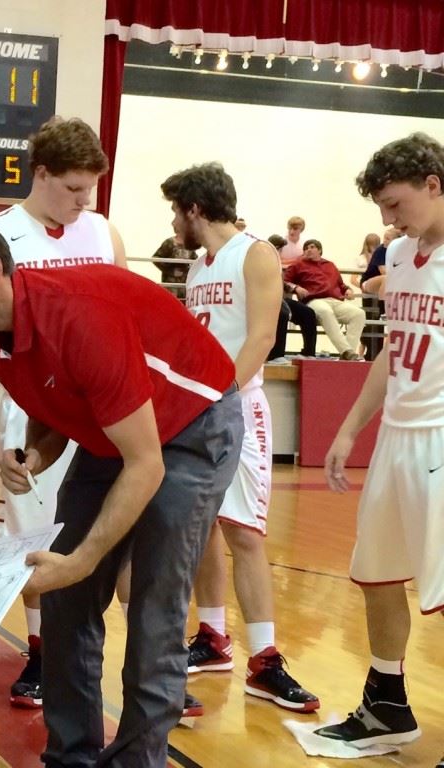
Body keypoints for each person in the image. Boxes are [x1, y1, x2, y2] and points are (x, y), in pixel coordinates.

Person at [0, 215, 243, 768]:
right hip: (124, 432)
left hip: (192, 424)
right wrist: (35, 452)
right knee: (62, 598)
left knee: (154, 604)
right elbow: (63, 402)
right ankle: (71, 758)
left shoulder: (81, 315)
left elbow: (145, 464)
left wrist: (85, 559)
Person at [163, 163, 319, 713]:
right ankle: (212, 639)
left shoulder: (255, 253)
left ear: (195, 209)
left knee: (244, 533)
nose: (173, 221)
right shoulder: (197, 269)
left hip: (236, 407)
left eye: (176, 210)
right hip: (201, 407)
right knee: (203, 529)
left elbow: (261, 336)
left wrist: (216, 395)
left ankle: (266, 659)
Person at [0, 116, 127, 708]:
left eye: (90, 188)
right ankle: (43, 653)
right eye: (72, 188)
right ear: (39, 174)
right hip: (31, 407)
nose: (83, 200)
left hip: (103, 411)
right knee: (36, 539)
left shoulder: (102, 232)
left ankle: (140, 664)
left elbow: (123, 317)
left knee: (114, 538)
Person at [318, 134, 444, 768]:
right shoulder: (398, 254)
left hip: (442, 439)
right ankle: (386, 706)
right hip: (398, 433)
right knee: (378, 575)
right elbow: (394, 350)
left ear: (433, 182)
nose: (389, 221)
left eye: (396, 204)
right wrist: (349, 429)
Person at [283, 239, 366, 359]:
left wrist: (348, 290)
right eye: (305, 248)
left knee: (359, 314)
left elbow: (341, 284)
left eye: (312, 247)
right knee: (325, 311)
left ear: (319, 250)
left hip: (334, 300)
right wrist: (296, 287)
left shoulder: (330, 265)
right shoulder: (298, 265)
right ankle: (346, 351)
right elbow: (285, 281)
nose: (308, 250)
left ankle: (347, 355)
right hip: (314, 300)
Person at [265, 234, 319, 360]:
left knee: (308, 313)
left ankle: (308, 353)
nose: (281, 253)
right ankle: (276, 356)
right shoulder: (261, 261)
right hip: (264, 300)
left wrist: (294, 288)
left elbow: (282, 283)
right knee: (282, 313)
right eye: (280, 250)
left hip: (279, 299)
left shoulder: (276, 263)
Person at [151, 236, 197, 301]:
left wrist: (189, 272)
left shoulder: (189, 244)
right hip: (171, 282)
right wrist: (170, 271)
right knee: (171, 302)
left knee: (184, 305)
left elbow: (195, 260)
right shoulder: (169, 243)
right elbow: (156, 259)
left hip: (184, 282)